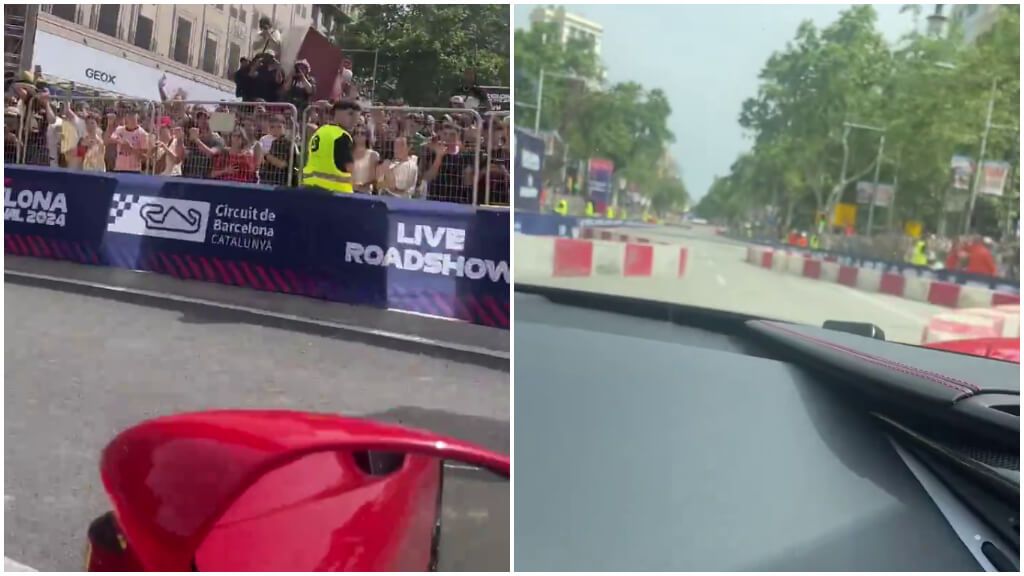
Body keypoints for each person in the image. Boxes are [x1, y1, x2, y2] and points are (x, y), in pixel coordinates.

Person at [302, 99, 358, 194]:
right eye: (351, 115)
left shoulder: (320, 131)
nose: (354, 121)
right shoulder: (341, 135)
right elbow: (349, 167)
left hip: (310, 187)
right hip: (335, 191)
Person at [421, 121, 476, 204]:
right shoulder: (432, 153)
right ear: (440, 135)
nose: (448, 138)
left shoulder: (465, 156)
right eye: (445, 134)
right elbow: (427, 178)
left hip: (458, 201)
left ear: (458, 136)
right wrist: (439, 157)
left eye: (452, 135)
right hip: (435, 200)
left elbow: (468, 183)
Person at [182, 109, 225, 178]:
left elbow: (210, 153)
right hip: (188, 176)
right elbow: (183, 156)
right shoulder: (192, 137)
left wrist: (196, 140)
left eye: (206, 118)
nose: (203, 121)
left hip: (206, 179)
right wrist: (180, 140)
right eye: (200, 118)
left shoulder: (217, 139)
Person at [258, 115, 298, 186]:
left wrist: (266, 155)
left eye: (279, 127)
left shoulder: (288, 143)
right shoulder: (265, 140)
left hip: (283, 182)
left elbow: (282, 164)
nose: (275, 129)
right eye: (272, 127)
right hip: (268, 181)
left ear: (284, 127)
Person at [106, 108, 149, 173]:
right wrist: (110, 124)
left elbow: (145, 157)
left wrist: (131, 149)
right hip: (119, 169)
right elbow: (109, 139)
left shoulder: (142, 134)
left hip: (134, 170)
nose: (131, 117)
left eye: (133, 115)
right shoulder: (119, 130)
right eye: (129, 115)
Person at [350, 125, 380, 194]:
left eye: (362, 133)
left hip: (365, 193)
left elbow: (376, 178)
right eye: (356, 133)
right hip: (348, 191)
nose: (359, 135)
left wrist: (363, 184)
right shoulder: (348, 153)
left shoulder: (373, 155)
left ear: (367, 137)